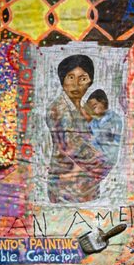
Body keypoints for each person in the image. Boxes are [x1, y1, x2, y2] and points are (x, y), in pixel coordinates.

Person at [47, 53, 113, 204]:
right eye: (71, 77)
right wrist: (105, 163)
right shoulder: (58, 108)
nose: (76, 84)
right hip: (66, 188)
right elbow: (72, 144)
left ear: (90, 82)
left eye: (83, 78)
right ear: (62, 80)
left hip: (85, 187)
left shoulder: (82, 109)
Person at [83, 88, 124, 166]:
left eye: (94, 107)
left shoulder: (113, 119)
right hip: (98, 157)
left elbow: (110, 147)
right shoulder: (94, 122)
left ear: (103, 102)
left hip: (108, 159)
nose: (92, 111)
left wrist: (93, 142)